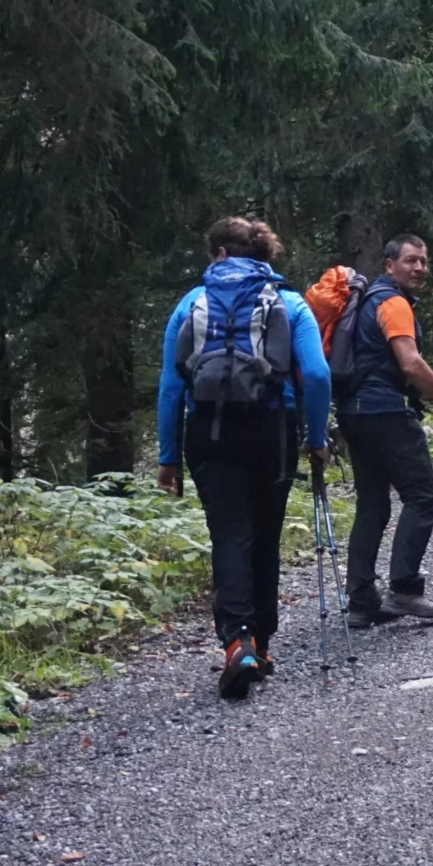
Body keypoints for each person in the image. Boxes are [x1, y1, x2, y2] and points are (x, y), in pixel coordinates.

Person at [157, 217, 331, 700]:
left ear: (217, 254)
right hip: (271, 430)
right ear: (264, 255)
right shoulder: (289, 303)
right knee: (264, 537)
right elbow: (315, 376)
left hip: (208, 432)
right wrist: (316, 439)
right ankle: (264, 642)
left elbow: (172, 387)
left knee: (229, 534)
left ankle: (238, 642)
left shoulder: (190, 303)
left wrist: (167, 459)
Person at [331, 235, 433, 629]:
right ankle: (404, 590)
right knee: (422, 496)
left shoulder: (365, 302)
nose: (419, 268)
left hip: (354, 413)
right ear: (389, 265)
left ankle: (362, 602)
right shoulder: (392, 303)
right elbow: (410, 364)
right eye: (411, 261)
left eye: (424, 262)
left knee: (373, 505)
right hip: (386, 414)